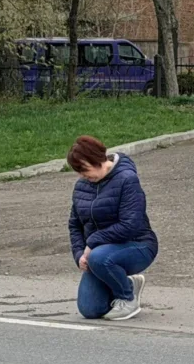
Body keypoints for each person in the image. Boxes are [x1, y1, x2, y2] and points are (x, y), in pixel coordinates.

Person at [67, 135, 158, 321]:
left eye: (84, 169)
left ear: (98, 160)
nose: (82, 175)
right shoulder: (81, 186)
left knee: (100, 257)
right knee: (90, 310)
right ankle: (127, 283)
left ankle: (127, 298)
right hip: (97, 255)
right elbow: (74, 224)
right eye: (78, 171)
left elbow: (129, 225)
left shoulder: (127, 179)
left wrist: (92, 243)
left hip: (137, 245)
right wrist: (78, 255)